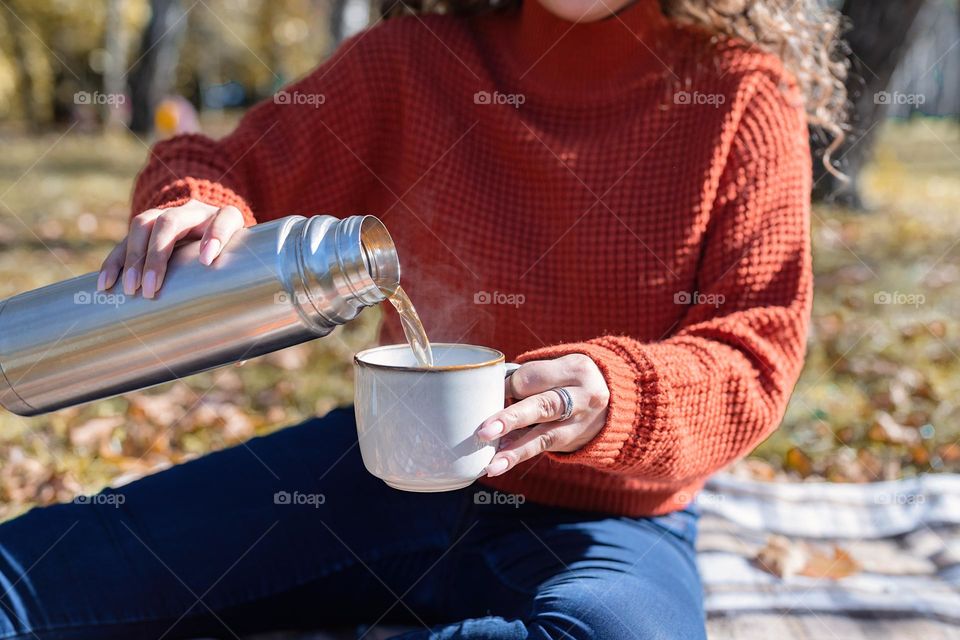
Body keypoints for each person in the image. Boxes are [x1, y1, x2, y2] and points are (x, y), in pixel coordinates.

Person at [0, 0, 846, 637]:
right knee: (35, 574)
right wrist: (200, 202)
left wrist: (611, 393)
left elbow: (755, 347)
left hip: (608, 518)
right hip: (379, 474)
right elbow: (222, 163)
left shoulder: (741, 96)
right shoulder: (412, 61)